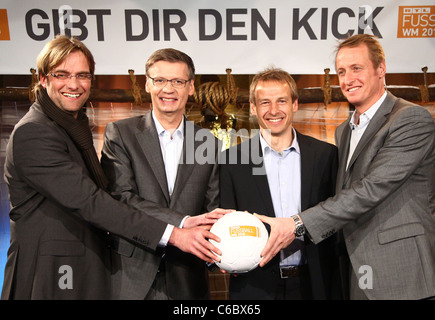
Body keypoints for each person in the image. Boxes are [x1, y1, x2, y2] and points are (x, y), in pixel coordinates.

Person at [1, 36, 222, 300]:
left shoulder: (72, 127)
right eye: (62, 74)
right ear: (43, 78)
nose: (74, 84)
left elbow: (213, 206)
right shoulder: (34, 132)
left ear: (191, 87)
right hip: (51, 275)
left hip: (95, 270)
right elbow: (95, 201)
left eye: (82, 75)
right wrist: (176, 232)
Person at [258, 34, 435, 300]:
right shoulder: (344, 130)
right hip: (355, 272)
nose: (347, 79)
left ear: (380, 69)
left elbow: (371, 188)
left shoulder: (410, 119)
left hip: (401, 272)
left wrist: (297, 223)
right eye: (341, 71)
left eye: (356, 68)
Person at [101, 48, 229, 300]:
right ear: (147, 83)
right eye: (159, 80)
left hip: (188, 279)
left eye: (178, 81)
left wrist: (226, 252)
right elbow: (121, 198)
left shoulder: (208, 142)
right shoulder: (120, 134)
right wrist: (180, 224)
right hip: (131, 278)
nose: (168, 89)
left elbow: (213, 210)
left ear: (191, 87)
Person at [219, 67, 342, 300]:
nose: (273, 110)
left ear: (294, 104)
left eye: (282, 101)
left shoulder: (326, 156)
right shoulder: (231, 161)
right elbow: (225, 220)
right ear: (253, 108)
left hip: (317, 284)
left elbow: (337, 217)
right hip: (255, 287)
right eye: (264, 102)